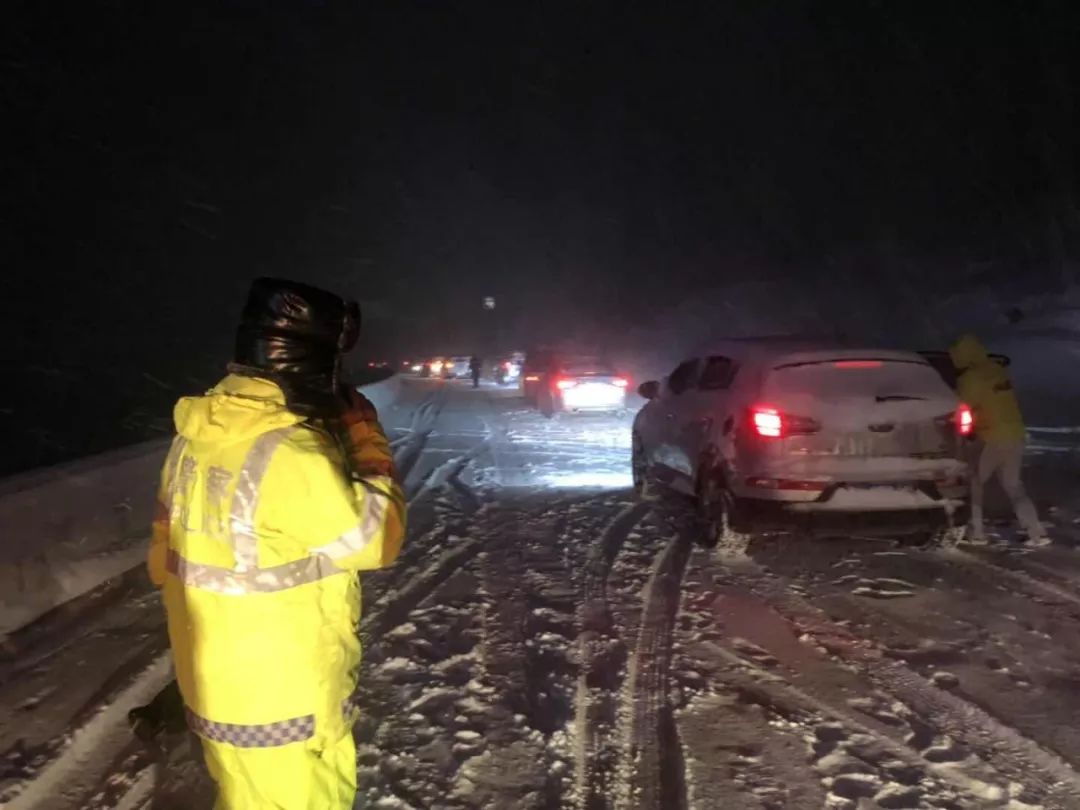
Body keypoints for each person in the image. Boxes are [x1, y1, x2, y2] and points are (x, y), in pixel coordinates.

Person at [148, 277, 406, 809]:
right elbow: (377, 541)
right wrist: (366, 444)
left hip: (218, 691)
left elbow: (161, 564)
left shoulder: (193, 441)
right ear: (314, 365)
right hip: (284, 702)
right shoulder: (290, 450)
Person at [949, 334, 1048, 547]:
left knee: (975, 482)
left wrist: (958, 425)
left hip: (990, 438)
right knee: (1013, 484)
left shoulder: (970, 378)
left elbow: (962, 408)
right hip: (1016, 434)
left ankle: (977, 533)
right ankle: (1036, 531)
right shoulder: (997, 370)